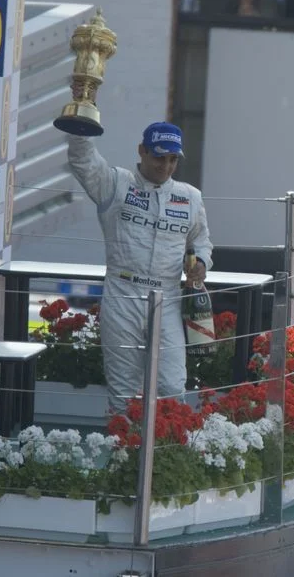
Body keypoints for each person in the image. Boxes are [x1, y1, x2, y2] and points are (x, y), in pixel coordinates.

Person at [67, 122, 212, 408]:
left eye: (172, 160)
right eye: (159, 157)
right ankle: (125, 451)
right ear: (142, 151)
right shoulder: (117, 183)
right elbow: (82, 160)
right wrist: (82, 117)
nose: (166, 166)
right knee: (122, 390)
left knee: (172, 385)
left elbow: (202, 241)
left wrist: (201, 263)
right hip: (122, 291)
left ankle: (165, 450)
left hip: (168, 296)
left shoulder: (190, 197)